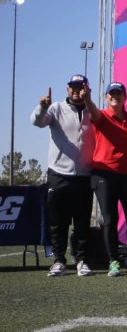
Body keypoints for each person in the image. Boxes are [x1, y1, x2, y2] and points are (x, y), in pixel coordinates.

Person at [31, 75, 96, 277]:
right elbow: (37, 122)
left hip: (84, 175)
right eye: (73, 87)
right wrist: (42, 106)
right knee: (58, 222)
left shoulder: (92, 111)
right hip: (58, 174)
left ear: (87, 89)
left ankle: (82, 260)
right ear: (67, 90)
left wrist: (89, 101)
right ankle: (59, 261)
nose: (77, 90)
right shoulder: (56, 108)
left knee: (82, 222)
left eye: (81, 86)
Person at [82, 81, 127, 276]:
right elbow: (93, 113)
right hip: (104, 174)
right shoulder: (102, 116)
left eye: (119, 93)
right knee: (110, 219)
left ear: (125, 97)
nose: (115, 96)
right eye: (112, 94)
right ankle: (113, 260)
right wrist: (87, 99)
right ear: (107, 97)